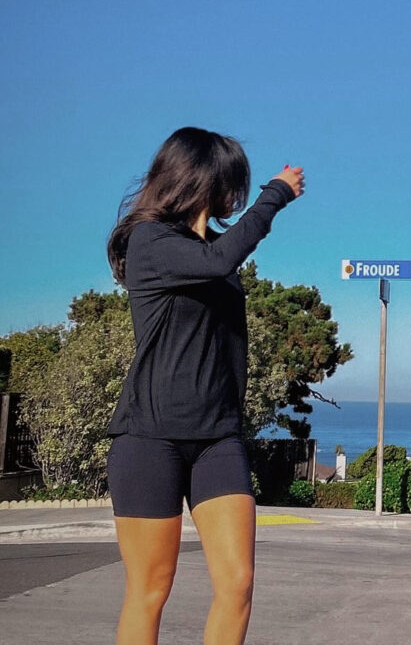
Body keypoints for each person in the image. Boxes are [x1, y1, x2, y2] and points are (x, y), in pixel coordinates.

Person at [105, 126, 304, 645]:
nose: (234, 195)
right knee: (150, 590)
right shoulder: (151, 242)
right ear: (196, 178)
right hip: (150, 438)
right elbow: (218, 261)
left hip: (217, 437)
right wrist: (275, 195)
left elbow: (220, 260)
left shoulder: (213, 248)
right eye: (228, 182)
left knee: (237, 584)